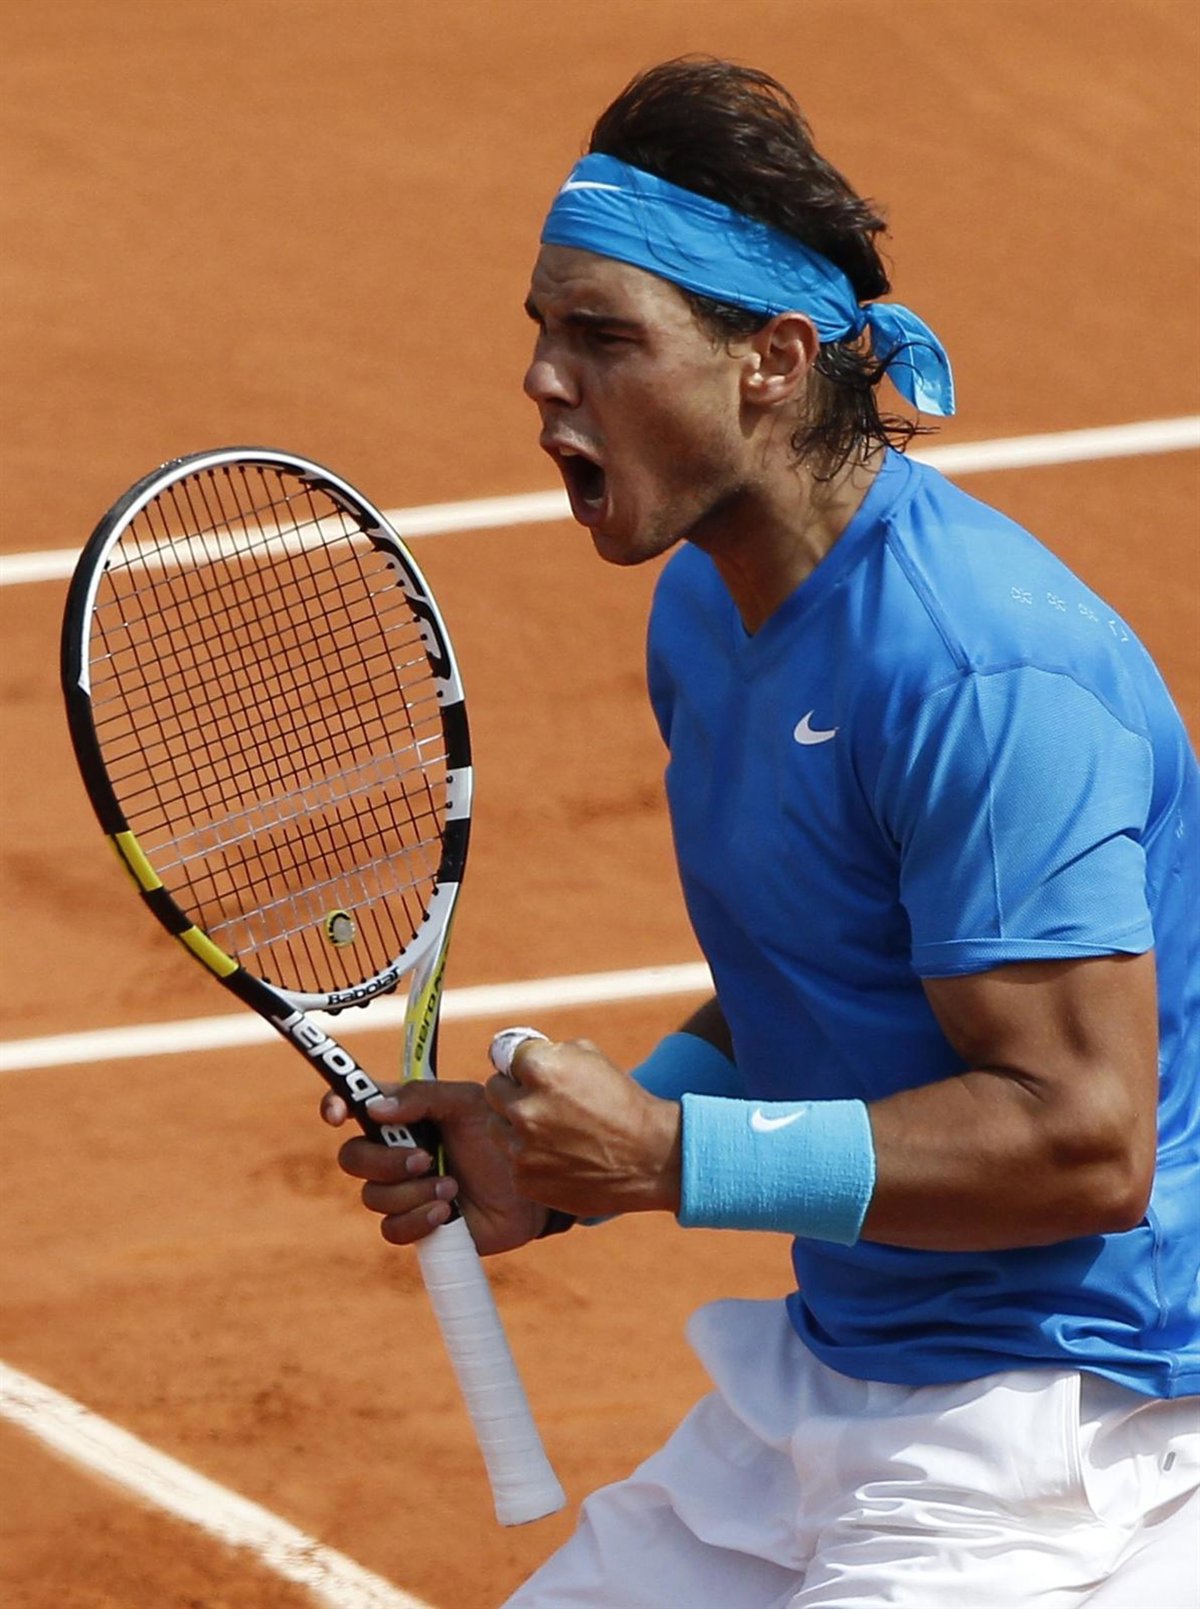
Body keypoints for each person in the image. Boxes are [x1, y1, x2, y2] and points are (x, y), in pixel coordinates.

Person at [323, 58, 1200, 1607]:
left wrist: (668, 1155)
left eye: (603, 337)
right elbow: (819, 976)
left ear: (772, 362)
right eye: (542, 328)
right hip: (834, 1376)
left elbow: (1085, 1137)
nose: (542, 377)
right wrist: (570, 1169)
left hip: (1064, 1423)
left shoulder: (981, 672)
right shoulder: (706, 614)